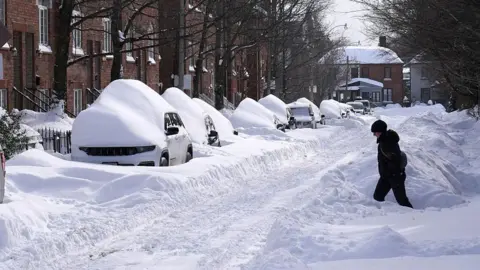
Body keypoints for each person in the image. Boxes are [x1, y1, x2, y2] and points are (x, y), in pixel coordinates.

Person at [371, 120, 413, 208]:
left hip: (395, 177)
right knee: (377, 196)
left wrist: (391, 173)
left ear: (380, 131)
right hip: (386, 176)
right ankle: (384, 216)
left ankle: (415, 217)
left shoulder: (388, 142)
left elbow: (395, 160)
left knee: (402, 201)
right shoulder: (384, 141)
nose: (374, 134)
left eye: (375, 132)